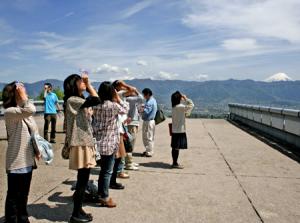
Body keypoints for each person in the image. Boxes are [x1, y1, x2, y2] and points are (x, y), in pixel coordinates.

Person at [64, 73, 100, 223]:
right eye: (81, 82)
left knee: (83, 180)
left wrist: (86, 83)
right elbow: (97, 99)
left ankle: (79, 211)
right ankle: (76, 214)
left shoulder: (79, 100)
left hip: (84, 142)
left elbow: (95, 101)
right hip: (80, 143)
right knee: (82, 180)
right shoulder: (73, 100)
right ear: (74, 85)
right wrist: (89, 83)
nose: (83, 83)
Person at [2, 81, 40, 223]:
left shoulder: (23, 113)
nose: (25, 90)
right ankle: (11, 220)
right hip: (16, 161)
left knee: (23, 195)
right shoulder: (10, 112)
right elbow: (31, 110)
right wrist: (23, 97)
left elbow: (32, 132)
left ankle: (23, 218)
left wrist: (36, 149)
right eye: (21, 88)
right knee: (13, 196)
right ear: (15, 93)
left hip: (28, 160)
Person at [93, 82, 129, 207]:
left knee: (103, 171)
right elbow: (125, 110)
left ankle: (100, 193)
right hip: (110, 143)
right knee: (107, 172)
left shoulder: (96, 105)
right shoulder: (113, 106)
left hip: (98, 143)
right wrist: (118, 98)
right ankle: (104, 197)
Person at [170, 91, 194, 169]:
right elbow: (191, 105)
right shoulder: (180, 107)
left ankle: (174, 162)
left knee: (174, 147)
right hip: (180, 130)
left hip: (174, 130)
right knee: (176, 148)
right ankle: (175, 163)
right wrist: (186, 98)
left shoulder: (174, 107)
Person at [125, 90, 143, 170]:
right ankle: (128, 163)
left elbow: (140, 109)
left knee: (132, 142)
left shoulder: (131, 100)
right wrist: (135, 90)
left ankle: (130, 161)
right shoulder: (130, 99)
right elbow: (141, 98)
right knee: (130, 143)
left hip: (134, 123)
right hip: (131, 123)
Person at [141, 88, 157, 157]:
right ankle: (148, 150)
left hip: (148, 121)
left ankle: (149, 152)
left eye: (144, 95)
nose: (144, 96)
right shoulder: (153, 100)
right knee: (149, 136)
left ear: (147, 94)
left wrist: (141, 109)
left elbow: (146, 111)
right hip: (151, 121)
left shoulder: (150, 102)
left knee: (147, 137)